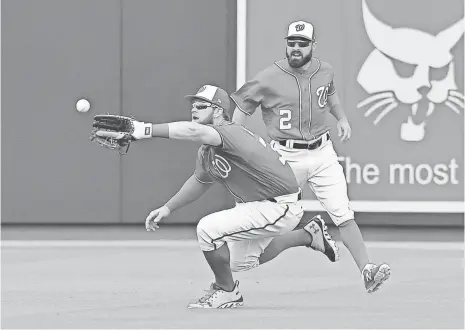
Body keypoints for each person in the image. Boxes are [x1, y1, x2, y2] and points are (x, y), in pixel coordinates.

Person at [143, 84, 339, 309]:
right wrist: (167, 208)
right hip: (258, 205)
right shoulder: (207, 150)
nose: (194, 111)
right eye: (193, 106)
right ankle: (308, 235)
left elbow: (192, 131)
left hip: (278, 205)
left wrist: (143, 130)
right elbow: (200, 181)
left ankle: (228, 292)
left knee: (208, 230)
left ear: (218, 111)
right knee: (236, 262)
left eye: (201, 106)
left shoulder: (228, 132)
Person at [230, 20, 391, 293]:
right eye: (291, 42)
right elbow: (242, 107)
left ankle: (367, 269)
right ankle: (301, 237)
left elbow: (330, 96)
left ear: (312, 46)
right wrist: (236, 143)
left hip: (323, 152)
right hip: (285, 157)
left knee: (343, 213)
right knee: (257, 238)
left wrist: (341, 119)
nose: (296, 48)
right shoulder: (268, 77)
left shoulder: (324, 71)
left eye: (302, 43)